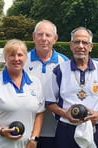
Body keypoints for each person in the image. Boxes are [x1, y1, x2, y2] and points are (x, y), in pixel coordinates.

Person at [45, 27, 98, 148]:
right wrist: (64, 113)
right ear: (71, 45)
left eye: (85, 42)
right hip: (67, 129)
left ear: (91, 46)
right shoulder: (59, 70)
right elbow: (50, 102)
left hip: (94, 129)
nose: (80, 46)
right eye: (77, 42)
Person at [0, 39, 45, 148]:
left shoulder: (35, 83)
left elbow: (39, 113)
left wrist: (34, 139)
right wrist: (1, 130)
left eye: (20, 55)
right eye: (11, 55)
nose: (16, 59)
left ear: (25, 57)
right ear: (5, 57)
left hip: (24, 145)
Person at [24, 19, 68, 148]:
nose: (44, 38)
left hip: (55, 130)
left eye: (48, 35)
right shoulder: (22, 60)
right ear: (33, 37)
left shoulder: (64, 63)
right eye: (40, 34)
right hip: (27, 130)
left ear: (55, 38)